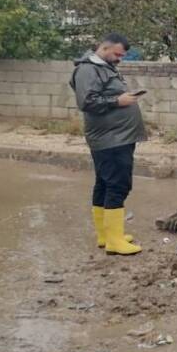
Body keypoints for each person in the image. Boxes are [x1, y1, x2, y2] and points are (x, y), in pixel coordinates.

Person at [70, 34, 146, 255]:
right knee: (118, 184)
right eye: (117, 54)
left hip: (117, 136)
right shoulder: (87, 69)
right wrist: (118, 101)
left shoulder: (104, 67)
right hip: (110, 138)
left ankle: (107, 235)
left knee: (104, 183)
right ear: (104, 47)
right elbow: (86, 102)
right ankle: (114, 242)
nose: (120, 59)